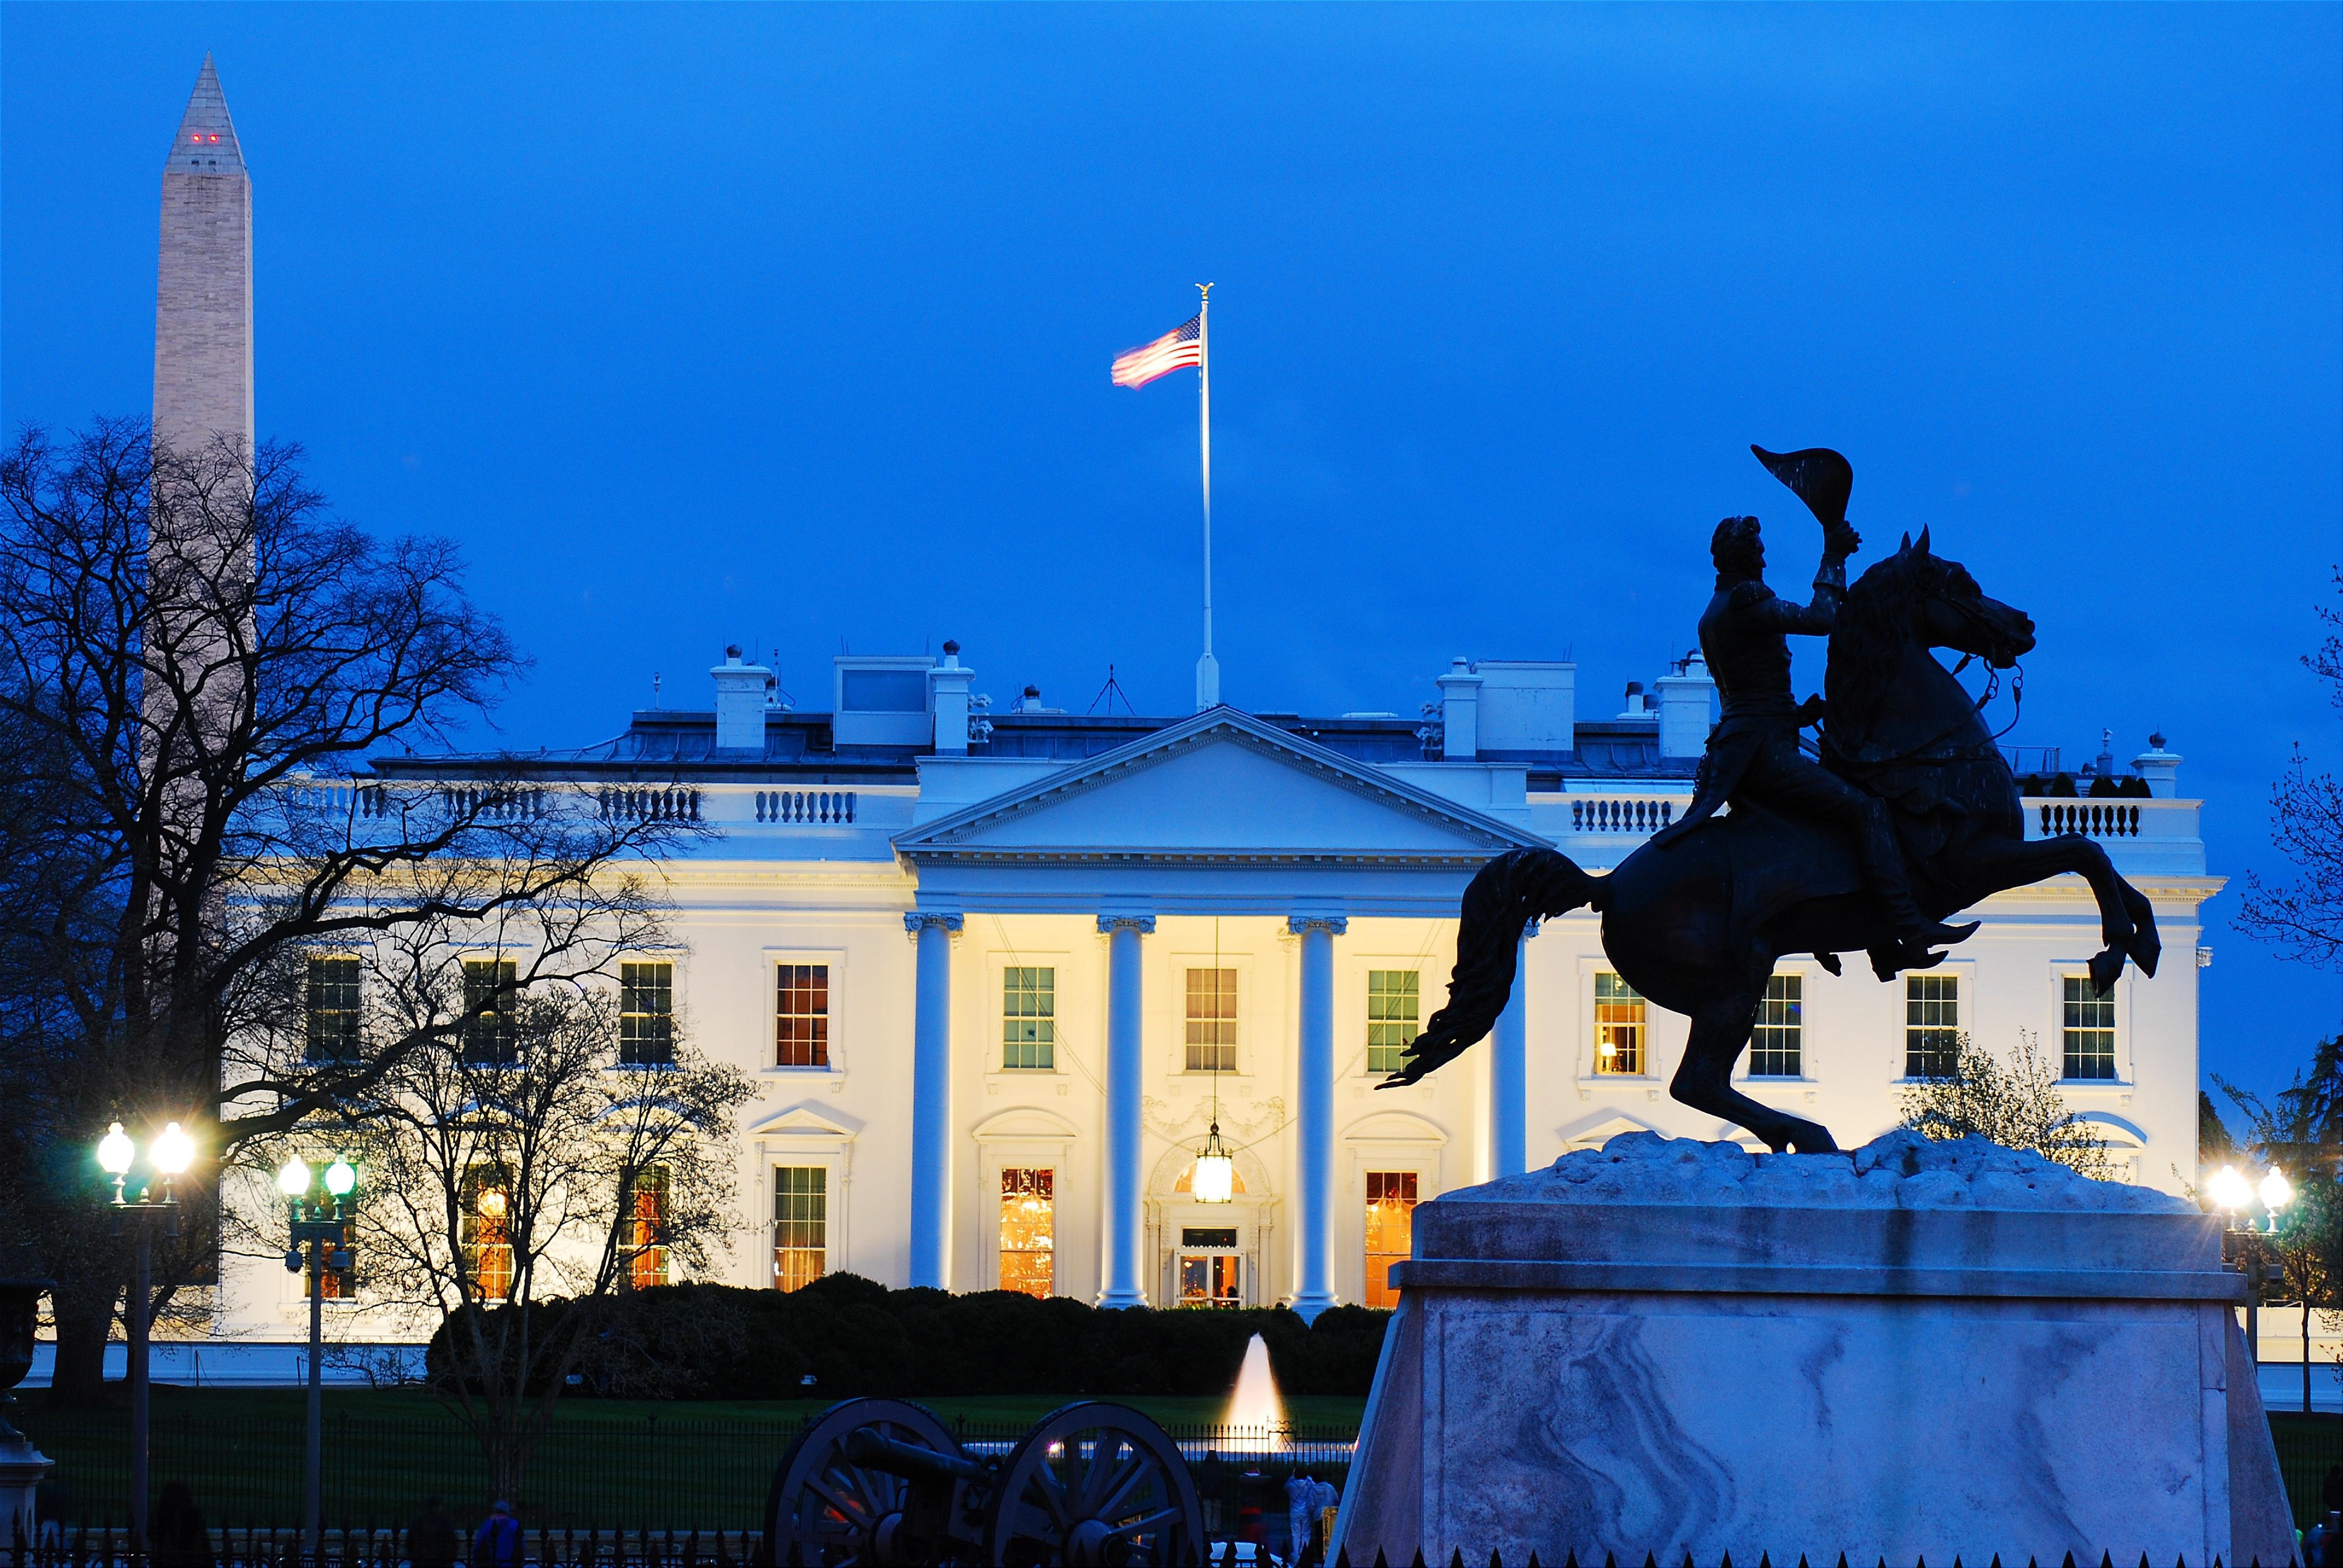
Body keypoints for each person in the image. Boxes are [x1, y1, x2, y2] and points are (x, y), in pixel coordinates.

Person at [1649, 477, 1974, 973]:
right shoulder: (1745, 601)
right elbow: (1821, 618)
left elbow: (1746, 694)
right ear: (1742, 556)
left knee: (1848, 792)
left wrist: (1800, 715)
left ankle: (1873, 933)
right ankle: (1907, 925)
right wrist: (1833, 554)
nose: (1763, 557)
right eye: (1757, 549)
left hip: (1749, 742)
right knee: (1866, 810)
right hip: (1764, 753)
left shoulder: (1713, 612)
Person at [148, 1479, 209, 1568]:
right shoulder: (194, 1515)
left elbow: (151, 1534)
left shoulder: (160, 1515)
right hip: (190, 1559)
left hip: (164, 1560)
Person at [407, 1495, 459, 1568]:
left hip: (421, 1562)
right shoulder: (446, 1523)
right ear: (438, 1507)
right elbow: (453, 1545)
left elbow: (410, 1543)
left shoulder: (417, 1522)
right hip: (441, 1562)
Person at [472, 1499, 522, 1568]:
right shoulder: (515, 1525)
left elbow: (479, 1545)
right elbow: (521, 1546)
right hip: (510, 1564)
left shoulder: (487, 1524)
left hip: (491, 1563)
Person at [1284, 1468, 1317, 1564]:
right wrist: (1309, 1479)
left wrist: (1292, 1476)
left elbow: (1285, 1486)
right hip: (1306, 1511)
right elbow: (1314, 1485)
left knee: (1296, 1533)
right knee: (1306, 1533)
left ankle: (1296, 1555)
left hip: (1294, 1511)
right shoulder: (1309, 1484)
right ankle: (1304, 1553)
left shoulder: (1291, 1486)